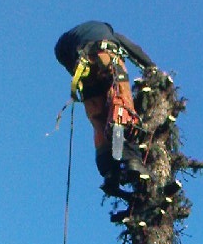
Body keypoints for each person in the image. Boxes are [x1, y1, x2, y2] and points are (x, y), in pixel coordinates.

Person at [54, 21, 155, 184]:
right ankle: (130, 159)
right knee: (121, 105)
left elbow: (60, 53)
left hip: (80, 64)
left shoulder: (69, 40)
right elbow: (133, 49)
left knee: (98, 117)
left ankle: (109, 170)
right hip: (104, 52)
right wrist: (152, 68)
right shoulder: (109, 33)